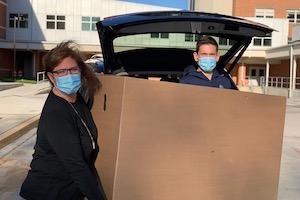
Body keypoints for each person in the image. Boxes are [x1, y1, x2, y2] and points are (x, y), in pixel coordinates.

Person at [19, 41, 107, 200]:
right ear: (52, 77)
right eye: (62, 72)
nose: (69, 75)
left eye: (73, 70)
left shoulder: (77, 99)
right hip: (48, 192)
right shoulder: (56, 113)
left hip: (68, 191)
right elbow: (75, 165)